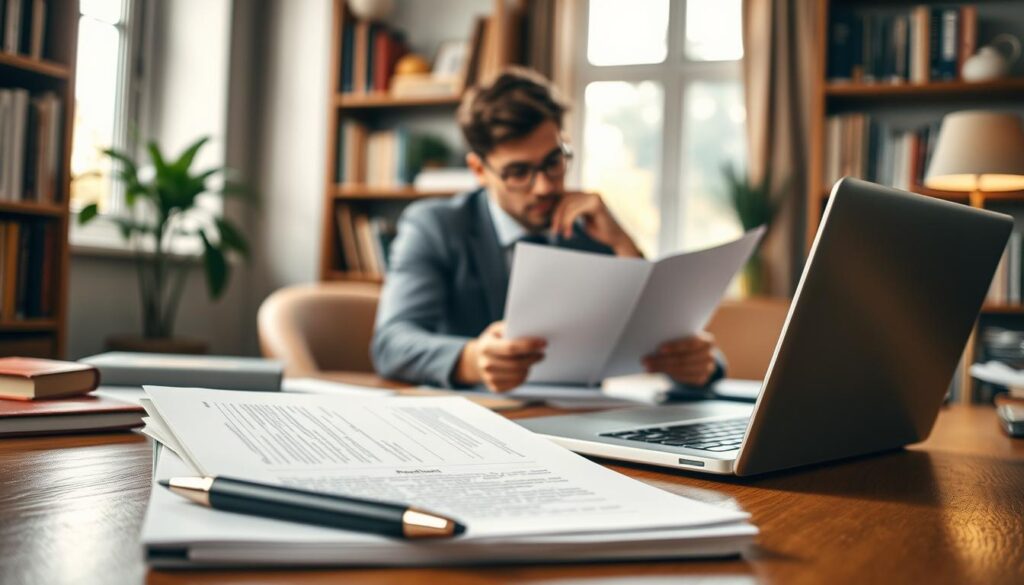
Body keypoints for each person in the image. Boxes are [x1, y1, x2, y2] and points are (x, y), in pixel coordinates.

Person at [372, 67, 723, 392]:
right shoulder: (436, 225)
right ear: (479, 170)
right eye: (518, 172)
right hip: (478, 424)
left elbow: (680, 344)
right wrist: (474, 359)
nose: (543, 187)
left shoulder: (592, 229)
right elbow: (391, 343)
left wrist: (625, 246)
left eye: (553, 162)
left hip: (586, 428)